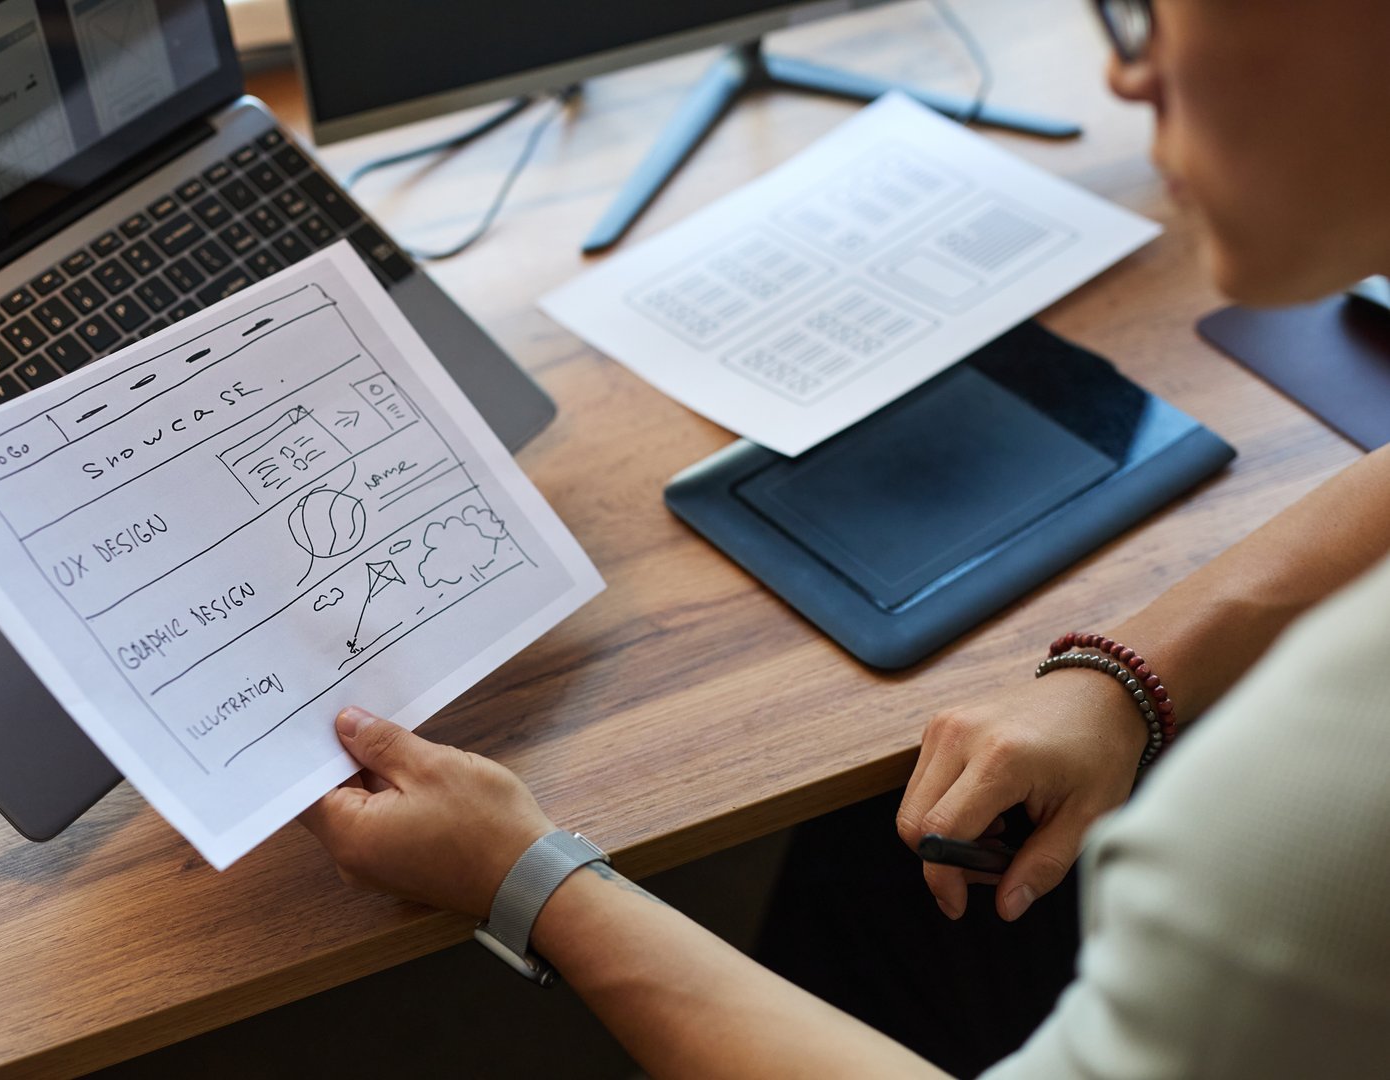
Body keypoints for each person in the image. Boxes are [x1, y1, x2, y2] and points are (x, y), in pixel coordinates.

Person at [301, 1, 1390, 1074]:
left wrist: (525, 878)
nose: (1124, 73)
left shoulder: (1315, 787)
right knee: (889, 844)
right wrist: (1124, 678)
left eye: (1150, 11)